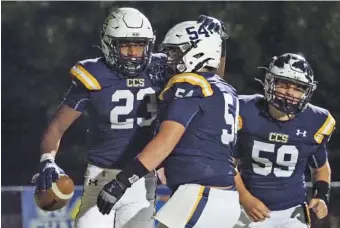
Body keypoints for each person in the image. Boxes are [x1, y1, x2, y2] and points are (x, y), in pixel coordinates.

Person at [95, 20, 241, 228]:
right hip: (220, 195)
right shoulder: (223, 89)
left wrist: (122, 181)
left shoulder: (189, 85)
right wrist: (221, 41)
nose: (169, 60)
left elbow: (165, 142)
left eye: (175, 53)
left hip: (200, 193)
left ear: (197, 52)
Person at [32, 7, 165, 228]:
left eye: (139, 45)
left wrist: (219, 44)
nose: (133, 52)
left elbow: (211, 80)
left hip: (141, 179)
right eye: (126, 45)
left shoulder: (162, 68)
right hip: (101, 177)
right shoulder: (94, 74)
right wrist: (47, 160)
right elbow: (57, 127)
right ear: (109, 44)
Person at [233, 53, 336, 228]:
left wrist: (320, 196)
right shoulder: (244, 110)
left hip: (292, 211)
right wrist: (245, 198)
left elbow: (320, 167)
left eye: (298, 88)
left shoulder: (317, 120)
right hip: (249, 210)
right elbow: (226, 162)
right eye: (284, 85)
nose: (290, 93)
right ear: (269, 83)